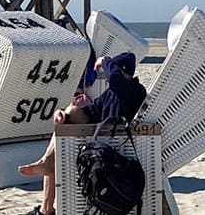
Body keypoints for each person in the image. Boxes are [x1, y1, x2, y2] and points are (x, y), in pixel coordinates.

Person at [18, 52, 147, 215]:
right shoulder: (111, 93)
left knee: (58, 155)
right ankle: (47, 175)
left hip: (114, 153)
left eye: (111, 69)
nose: (107, 76)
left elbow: (115, 79)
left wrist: (105, 61)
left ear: (122, 70)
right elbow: (91, 112)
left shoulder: (136, 91)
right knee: (70, 112)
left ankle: (46, 207)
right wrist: (62, 114)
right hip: (101, 144)